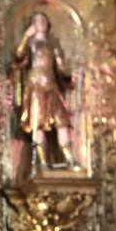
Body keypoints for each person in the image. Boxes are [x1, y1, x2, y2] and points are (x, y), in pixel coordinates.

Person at [12, 11, 76, 175]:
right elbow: (18, 56)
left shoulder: (53, 43)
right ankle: (43, 162)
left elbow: (62, 67)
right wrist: (26, 37)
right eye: (37, 20)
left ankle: (69, 159)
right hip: (36, 87)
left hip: (51, 86)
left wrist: (68, 71)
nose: (40, 22)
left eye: (43, 20)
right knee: (38, 124)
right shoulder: (31, 43)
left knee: (62, 123)